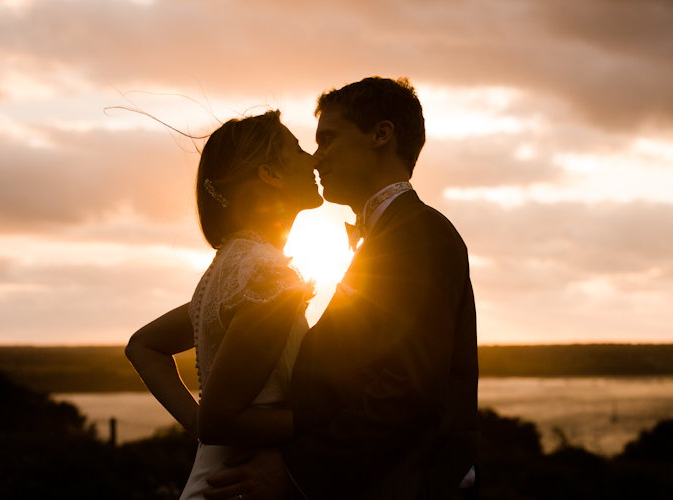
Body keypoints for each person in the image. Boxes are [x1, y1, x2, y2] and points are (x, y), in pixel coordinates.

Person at [203, 77, 479, 499]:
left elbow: (407, 388)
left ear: (381, 135)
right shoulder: (391, 236)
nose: (316, 159)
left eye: (327, 140)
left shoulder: (422, 233)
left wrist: (294, 470)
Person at [125, 110, 323, 500]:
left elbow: (142, 345)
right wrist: (327, 421)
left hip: (216, 480)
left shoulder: (230, 269)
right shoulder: (266, 276)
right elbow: (220, 420)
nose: (314, 158)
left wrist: (197, 427)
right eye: (299, 149)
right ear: (271, 174)